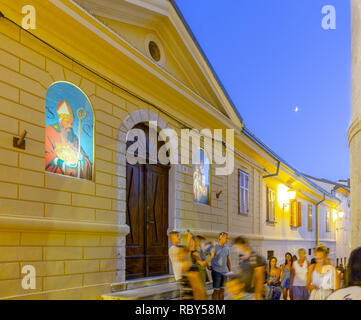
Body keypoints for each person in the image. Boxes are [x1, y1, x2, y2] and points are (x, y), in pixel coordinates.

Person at [45, 99, 92, 180]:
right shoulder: (49, 131)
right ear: (60, 121)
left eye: (72, 123)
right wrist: (62, 163)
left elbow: (85, 158)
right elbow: (46, 154)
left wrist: (81, 159)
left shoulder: (73, 137)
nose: (70, 126)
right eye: (67, 122)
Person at [232, 236, 266, 300]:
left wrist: (257, 295)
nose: (236, 250)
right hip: (243, 293)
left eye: (237, 247)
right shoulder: (241, 257)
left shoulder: (255, 257)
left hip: (253, 294)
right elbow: (241, 272)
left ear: (244, 245)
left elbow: (260, 278)